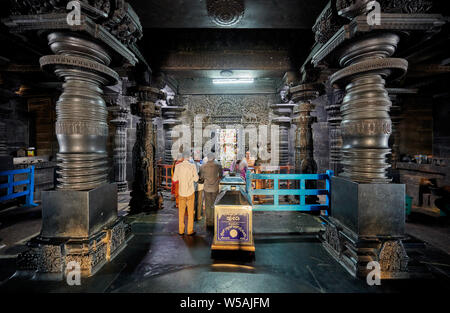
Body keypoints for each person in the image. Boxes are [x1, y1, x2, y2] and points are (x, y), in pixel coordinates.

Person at [172, 151, 199, 236]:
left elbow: (174, 179)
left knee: (181, 212)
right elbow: (196, 179)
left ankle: (181, 230)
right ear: (189, 157)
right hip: (190, 191)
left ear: (183, 157)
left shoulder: (178, 166)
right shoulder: (192, 166)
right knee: (190, 212)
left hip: (181, 192)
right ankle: (190, 230)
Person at [200, 152, 223, 229]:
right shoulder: (218, 165)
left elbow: (201, 177)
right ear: (213, 158)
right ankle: (214, 220)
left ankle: (208, 221)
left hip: (206, 187)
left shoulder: (203, 166)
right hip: (215, 187)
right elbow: (221, 176)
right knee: (214, 204)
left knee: (207, 204)